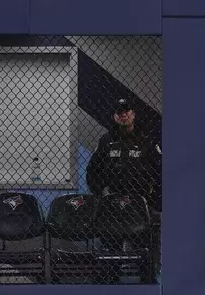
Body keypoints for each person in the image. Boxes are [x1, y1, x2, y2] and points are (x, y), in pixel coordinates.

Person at [86, 98, 161, 283]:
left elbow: (161, 170)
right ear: (115, 117)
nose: (123, 114)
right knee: (111, 254)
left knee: (145, 253)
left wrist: (154, 201)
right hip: (113, 206)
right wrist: (100, 194)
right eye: (119, 112)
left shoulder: (147, 140)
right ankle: (112, 281)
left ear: (133, 114)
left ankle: (147, 282)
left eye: (127, 111)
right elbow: (92, 171)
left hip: (141, 206)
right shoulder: (106, 140)